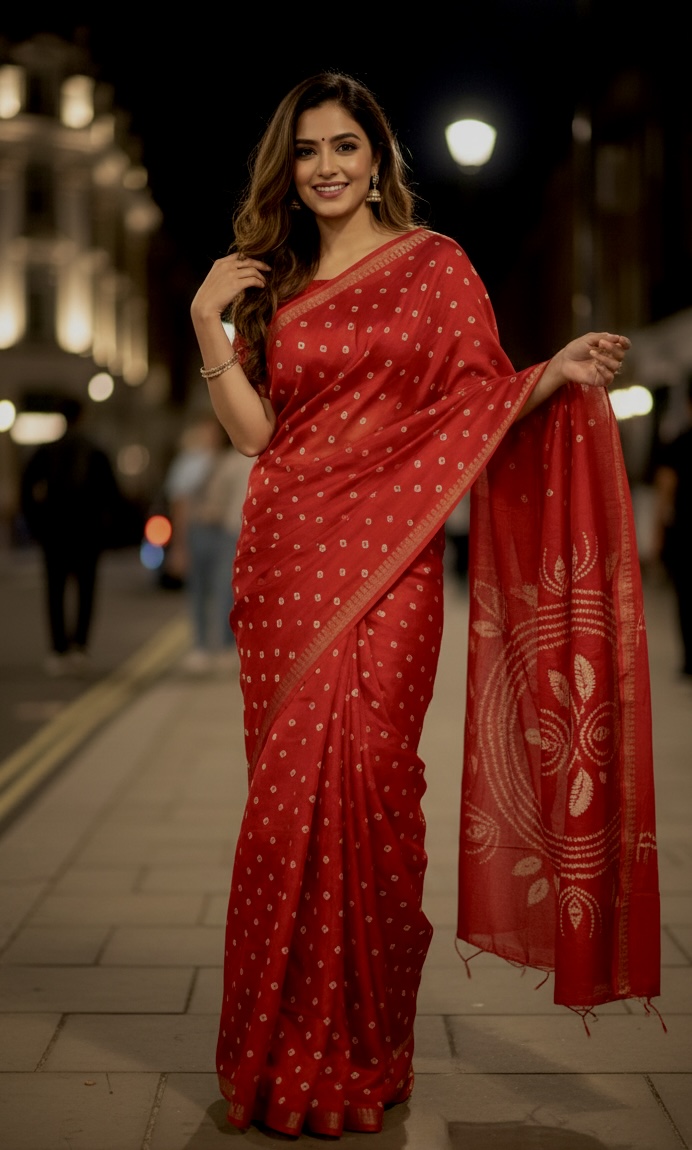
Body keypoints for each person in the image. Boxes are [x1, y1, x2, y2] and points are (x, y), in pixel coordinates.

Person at [190, 73, 659, 1138]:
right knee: (282, 816)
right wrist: (206, 322)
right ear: (288, 164)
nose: (324, 166)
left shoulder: (433, 267)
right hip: (287, 563)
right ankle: (270, 1055)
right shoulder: (276, 281)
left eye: (344, 145)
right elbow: (256, 436)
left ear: (377, 156)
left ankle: (369, 1050)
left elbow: (476, 394)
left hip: (391, 565)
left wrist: (551, 374)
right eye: (306, 149)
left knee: (370, 790)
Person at [20, 396, 123, 676]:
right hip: (87, 533)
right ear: (82, 416)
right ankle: (80, 646)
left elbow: (26, 488)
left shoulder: (46, 450)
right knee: (86, 591)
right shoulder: (94, 450)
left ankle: (57, 649)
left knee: (54, 591)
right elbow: (112, 494)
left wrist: (35, 523)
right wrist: (108, 528)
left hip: (54, 531)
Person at [164, 413, 254, 673]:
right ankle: (201, 646)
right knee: (198, 590)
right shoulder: (192, 461)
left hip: (224, 531)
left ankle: (225, 645)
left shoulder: (233, 459)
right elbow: (179, 501)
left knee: (226, 590)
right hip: (198, 529)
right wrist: (179, 546)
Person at [652, 376, 692, 677]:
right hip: (683, 531)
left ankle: (690, 659)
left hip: (685, 531)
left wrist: (659, 533)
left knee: (686, 597)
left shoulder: (679, 442)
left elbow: (665, 490)